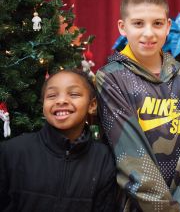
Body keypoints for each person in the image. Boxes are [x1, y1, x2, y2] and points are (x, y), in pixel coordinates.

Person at [95, 0, 180, 211]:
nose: (148, 33)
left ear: (168, 27)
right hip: (130, 204)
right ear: (122, 27)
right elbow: (130, 154)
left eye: (157, 23)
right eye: (138, 23)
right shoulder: (111, 78)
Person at [0, 69, 117, 211]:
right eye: (52, 96)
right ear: (43, 106)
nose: (61, 101)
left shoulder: (103, 159)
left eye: (74, 94)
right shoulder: (11, 152)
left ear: (92, 105)